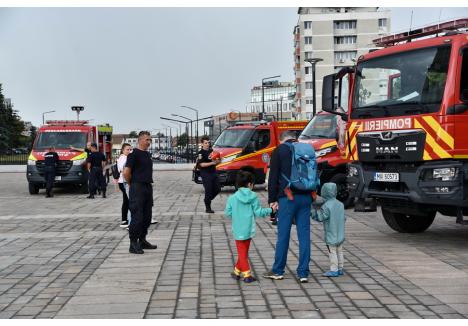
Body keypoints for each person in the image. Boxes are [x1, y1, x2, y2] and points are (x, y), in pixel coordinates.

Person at [263, 130, 313, 283]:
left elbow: (273, 177)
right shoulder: (307, 149)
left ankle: (278, 270)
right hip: (306, 196)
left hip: (287, 197)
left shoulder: (280, 150)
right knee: (304, 235)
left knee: (283, 235)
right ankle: (303, 272)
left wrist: (272, 199)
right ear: (295, 138)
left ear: (282, 139)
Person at [225, 171, 273, 283]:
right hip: (248, 229)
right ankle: (239, 272)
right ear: (250, 184)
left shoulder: (232, 198)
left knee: (242, 253)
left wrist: (236, 215)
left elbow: (228, 213)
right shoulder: (253, 197)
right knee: (243, 253)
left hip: (238, 229)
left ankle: (246, 275)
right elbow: (259, 212)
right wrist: (271, 210)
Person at [123, 131, 157, 254]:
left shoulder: (147, 154)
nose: (149, 142)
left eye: (150, 140)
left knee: (147, 217)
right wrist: (132, 183)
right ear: (140, 140)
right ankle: (133, 243)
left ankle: (142, 240)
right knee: (137, 217)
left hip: (147, 187)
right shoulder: (133, 154)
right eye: (147, 139)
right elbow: (126, 172)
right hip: (137, 187)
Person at [312, 183, 346, 277]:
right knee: (340, 251)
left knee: (332, 252)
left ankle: (334, 270)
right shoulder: (340, 204)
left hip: (331, 234)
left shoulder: (326, 206)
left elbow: (321, 217)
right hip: (340, 233)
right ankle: (340, 268)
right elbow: (344, 218)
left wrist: (312, 212)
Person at [197, 135, 221, 213]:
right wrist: (212, 163)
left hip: (213, 172)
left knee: (218, 189)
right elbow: (201, 165)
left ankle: (207, 199)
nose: (207, 144)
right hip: (205, 173)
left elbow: (216, 161)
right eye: (206, 143)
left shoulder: (212, 151)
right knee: (208, 190)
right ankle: (208, 208)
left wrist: (218, 161)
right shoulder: (200, 153)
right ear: (202, 144)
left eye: (208, 142)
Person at [117, 143, 132, 228]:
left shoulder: (124, 157)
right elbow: (123, 170)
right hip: (124, 182)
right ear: (123, 150)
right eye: (127, 149)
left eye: (130, 149)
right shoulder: (124, 158)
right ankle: (127, 220)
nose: (129, 151)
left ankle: (124, 220)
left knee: (126, 201)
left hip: (122, 181)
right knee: (129, 201)